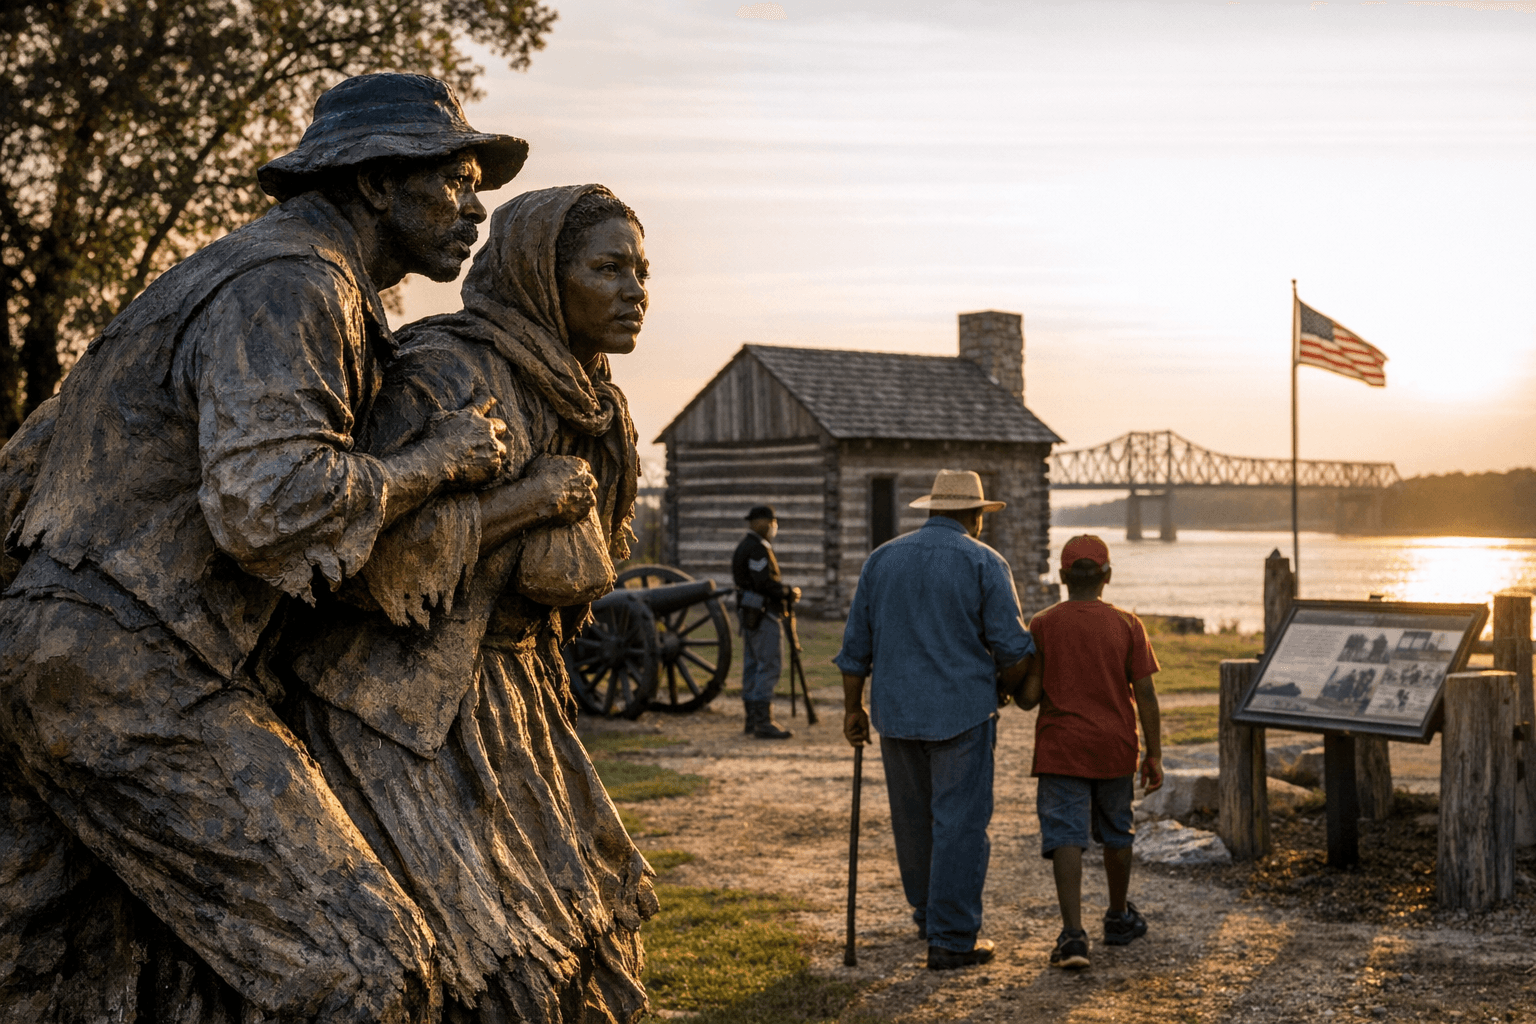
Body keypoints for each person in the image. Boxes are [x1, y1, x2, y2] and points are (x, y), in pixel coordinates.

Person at [0, 73, 526, 1021]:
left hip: (52, 658)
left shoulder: (211, 275)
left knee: (60, 975)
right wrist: (437, 461)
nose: (477, 208)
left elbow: (25, 466)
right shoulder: (293, 284)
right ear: (373, 184)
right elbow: (270, 503)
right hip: (138, 668)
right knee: (363, 970)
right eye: (455, 180)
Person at [281, 184, 657, 1024]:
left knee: (578, 926)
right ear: (538, 276)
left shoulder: (597, 403)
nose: (636, 291)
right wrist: (527, 505)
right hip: (400, 705)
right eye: (609, 268)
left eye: (642, 270)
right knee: (487, 956)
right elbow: (355, 553)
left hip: (516, 696)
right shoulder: (448, 371)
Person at [836, 469, 1035, 970]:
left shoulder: (881, 560)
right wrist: (1012, 689)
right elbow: (1012, 648)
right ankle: (951, 937)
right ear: (975, 516)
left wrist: (851, 708)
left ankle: (928, 915)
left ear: (930, 510)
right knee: (960, 826)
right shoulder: (985, 562)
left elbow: (855, 648)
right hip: (962, 712)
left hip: (896, 713)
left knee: (914, 822)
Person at [1018, 534, 1164, 971]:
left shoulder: (1043, 624)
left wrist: (1007, 683)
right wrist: (1153, 753)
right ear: (1107, 577)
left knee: (1066, 835)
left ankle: (1073, 936)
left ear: (1062, 577)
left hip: (1061, 748)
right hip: (1115, 747)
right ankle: (1118, 918)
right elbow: (1147, 694)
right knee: (1118, 831)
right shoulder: (1128, 624)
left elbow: (1028, 697)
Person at [731, 504, 800, 739]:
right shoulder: (757, 549)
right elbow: (763, 583)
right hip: (762, 613)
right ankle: (762, 721)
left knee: (753, 665)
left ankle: (752, 719)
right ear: (760, 522)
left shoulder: (745, 546)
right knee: (769, 664)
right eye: (771, 522)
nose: (774, 526)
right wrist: (787, 592)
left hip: (749, 612)